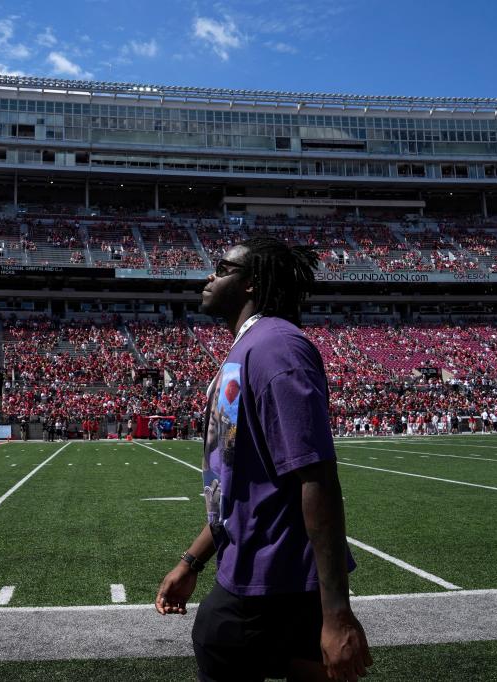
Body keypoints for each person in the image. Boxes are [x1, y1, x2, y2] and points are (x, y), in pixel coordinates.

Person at [155, 238, 371, 682]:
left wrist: (337, 615)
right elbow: (236, 486)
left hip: (276, 580)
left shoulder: (277, 349)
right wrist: (191, 562)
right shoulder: (248, 348)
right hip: (257, 572)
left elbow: (316, 476)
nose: (209, 276)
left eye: (222, 267)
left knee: (215, 639)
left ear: (251, 282)